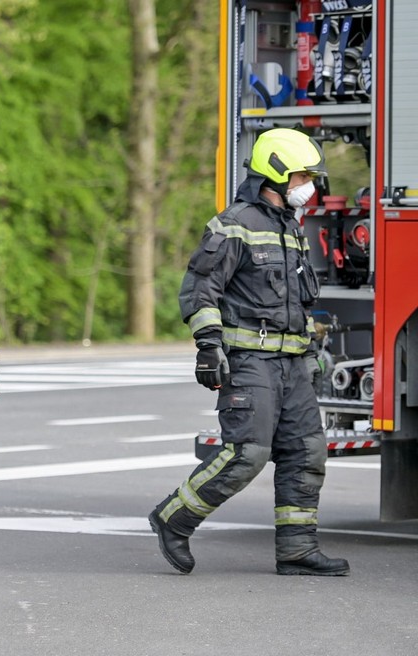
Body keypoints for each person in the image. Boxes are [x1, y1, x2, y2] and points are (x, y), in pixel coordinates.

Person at [148, 128, 350, 577]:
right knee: (247, 454)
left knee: (306, 451)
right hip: (250, 361)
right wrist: (207, 347)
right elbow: (200, 290)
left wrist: (311, 346)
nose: (308, 185)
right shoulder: (234, 224)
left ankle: (297, 549)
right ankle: (174, 518)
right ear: (277, 175)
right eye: (301, 176)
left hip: (294, 363)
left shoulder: (289, 228)